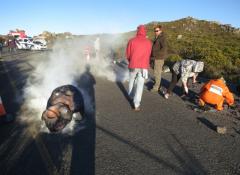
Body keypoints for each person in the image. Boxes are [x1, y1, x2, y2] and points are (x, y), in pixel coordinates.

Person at [126, 25, 152, 111]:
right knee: (140, 85)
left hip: (133, 65)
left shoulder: (131, 41)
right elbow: (149, 55)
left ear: (138, 31)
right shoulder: (149, 42)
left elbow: (128, 55)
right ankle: (136, 104)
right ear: (145, 31)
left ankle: (130, 96)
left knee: (131, 80)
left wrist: (131, 60)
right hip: (143, 67)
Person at [150, 25, 167, 92]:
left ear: (160, 30)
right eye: (155, 31)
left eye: (157, 31)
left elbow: (164, 49)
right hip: (156, 58)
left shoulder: (162, 38)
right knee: (156, 72)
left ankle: (156, 88)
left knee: (157, 73)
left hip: (159, 58)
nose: (155, 32)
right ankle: (157, 85)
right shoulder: (157, 38)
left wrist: (155, 54)